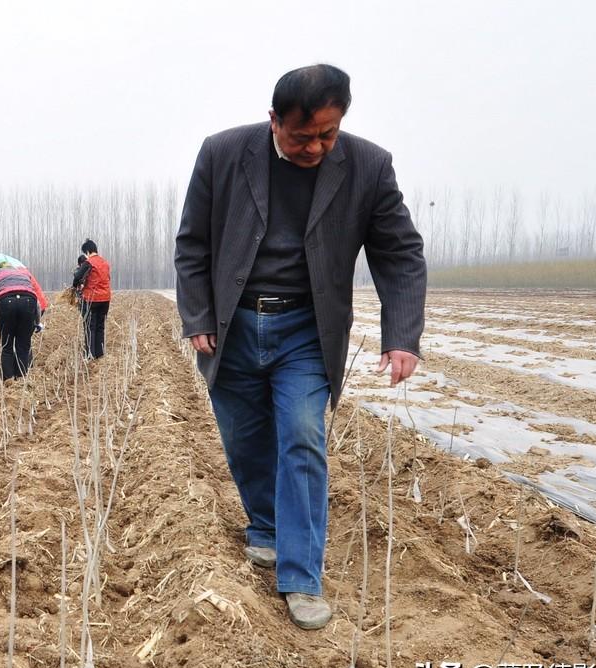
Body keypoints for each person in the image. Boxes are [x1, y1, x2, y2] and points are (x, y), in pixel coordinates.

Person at [174, 64, 426, 630]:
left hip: (307, 331)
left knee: (304, 438)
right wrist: (197, 316)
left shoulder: (368, 166)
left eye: (328, 134)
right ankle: (264, 525)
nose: (317, 146)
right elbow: (192, 244)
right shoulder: (222, 154)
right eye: (302, 136)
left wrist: (402, 335)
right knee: (245, 439)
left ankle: (301, 575)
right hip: (232, 325)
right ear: (273, 122)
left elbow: (400, 253)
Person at [0, 253, 48, 380]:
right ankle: (21, 380)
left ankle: (9, 381)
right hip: (28, 303)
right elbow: (36, 302)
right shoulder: (23, 274)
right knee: (23, 346)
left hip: (6, 303)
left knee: (7, 346)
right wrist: (37, 322)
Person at [71, 240, 111, 359]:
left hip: (91, 298)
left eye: (86, 253)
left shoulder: (89, 263)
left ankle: (90, 354)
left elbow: (78, 277)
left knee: (90, 327)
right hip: (105, 299)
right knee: (100, 326)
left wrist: (74, 286)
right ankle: (100, 353)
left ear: (88, 251)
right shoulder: (105, 263)